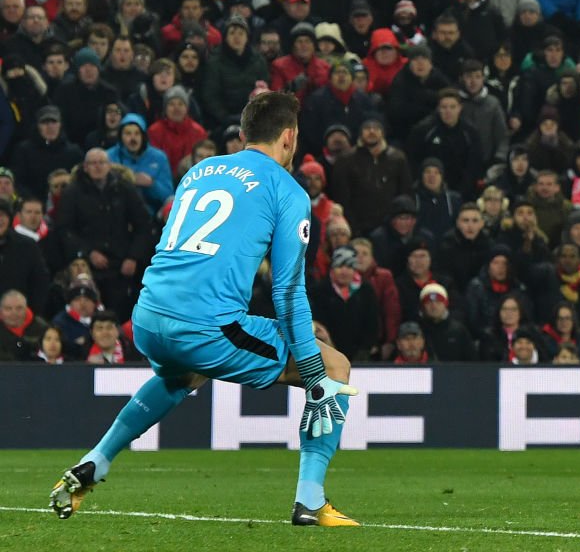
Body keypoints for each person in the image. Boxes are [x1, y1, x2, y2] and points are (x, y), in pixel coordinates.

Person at [50, 92, 360, 528]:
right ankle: (310, 500)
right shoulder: (288, 190)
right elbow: (287, 291)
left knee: (183, 373)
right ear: (289, 138)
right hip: (205, 326)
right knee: (334, 367)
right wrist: (311, 371)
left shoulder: (200, 170)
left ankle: (97, 459)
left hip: (148, 316)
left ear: (242, 135)